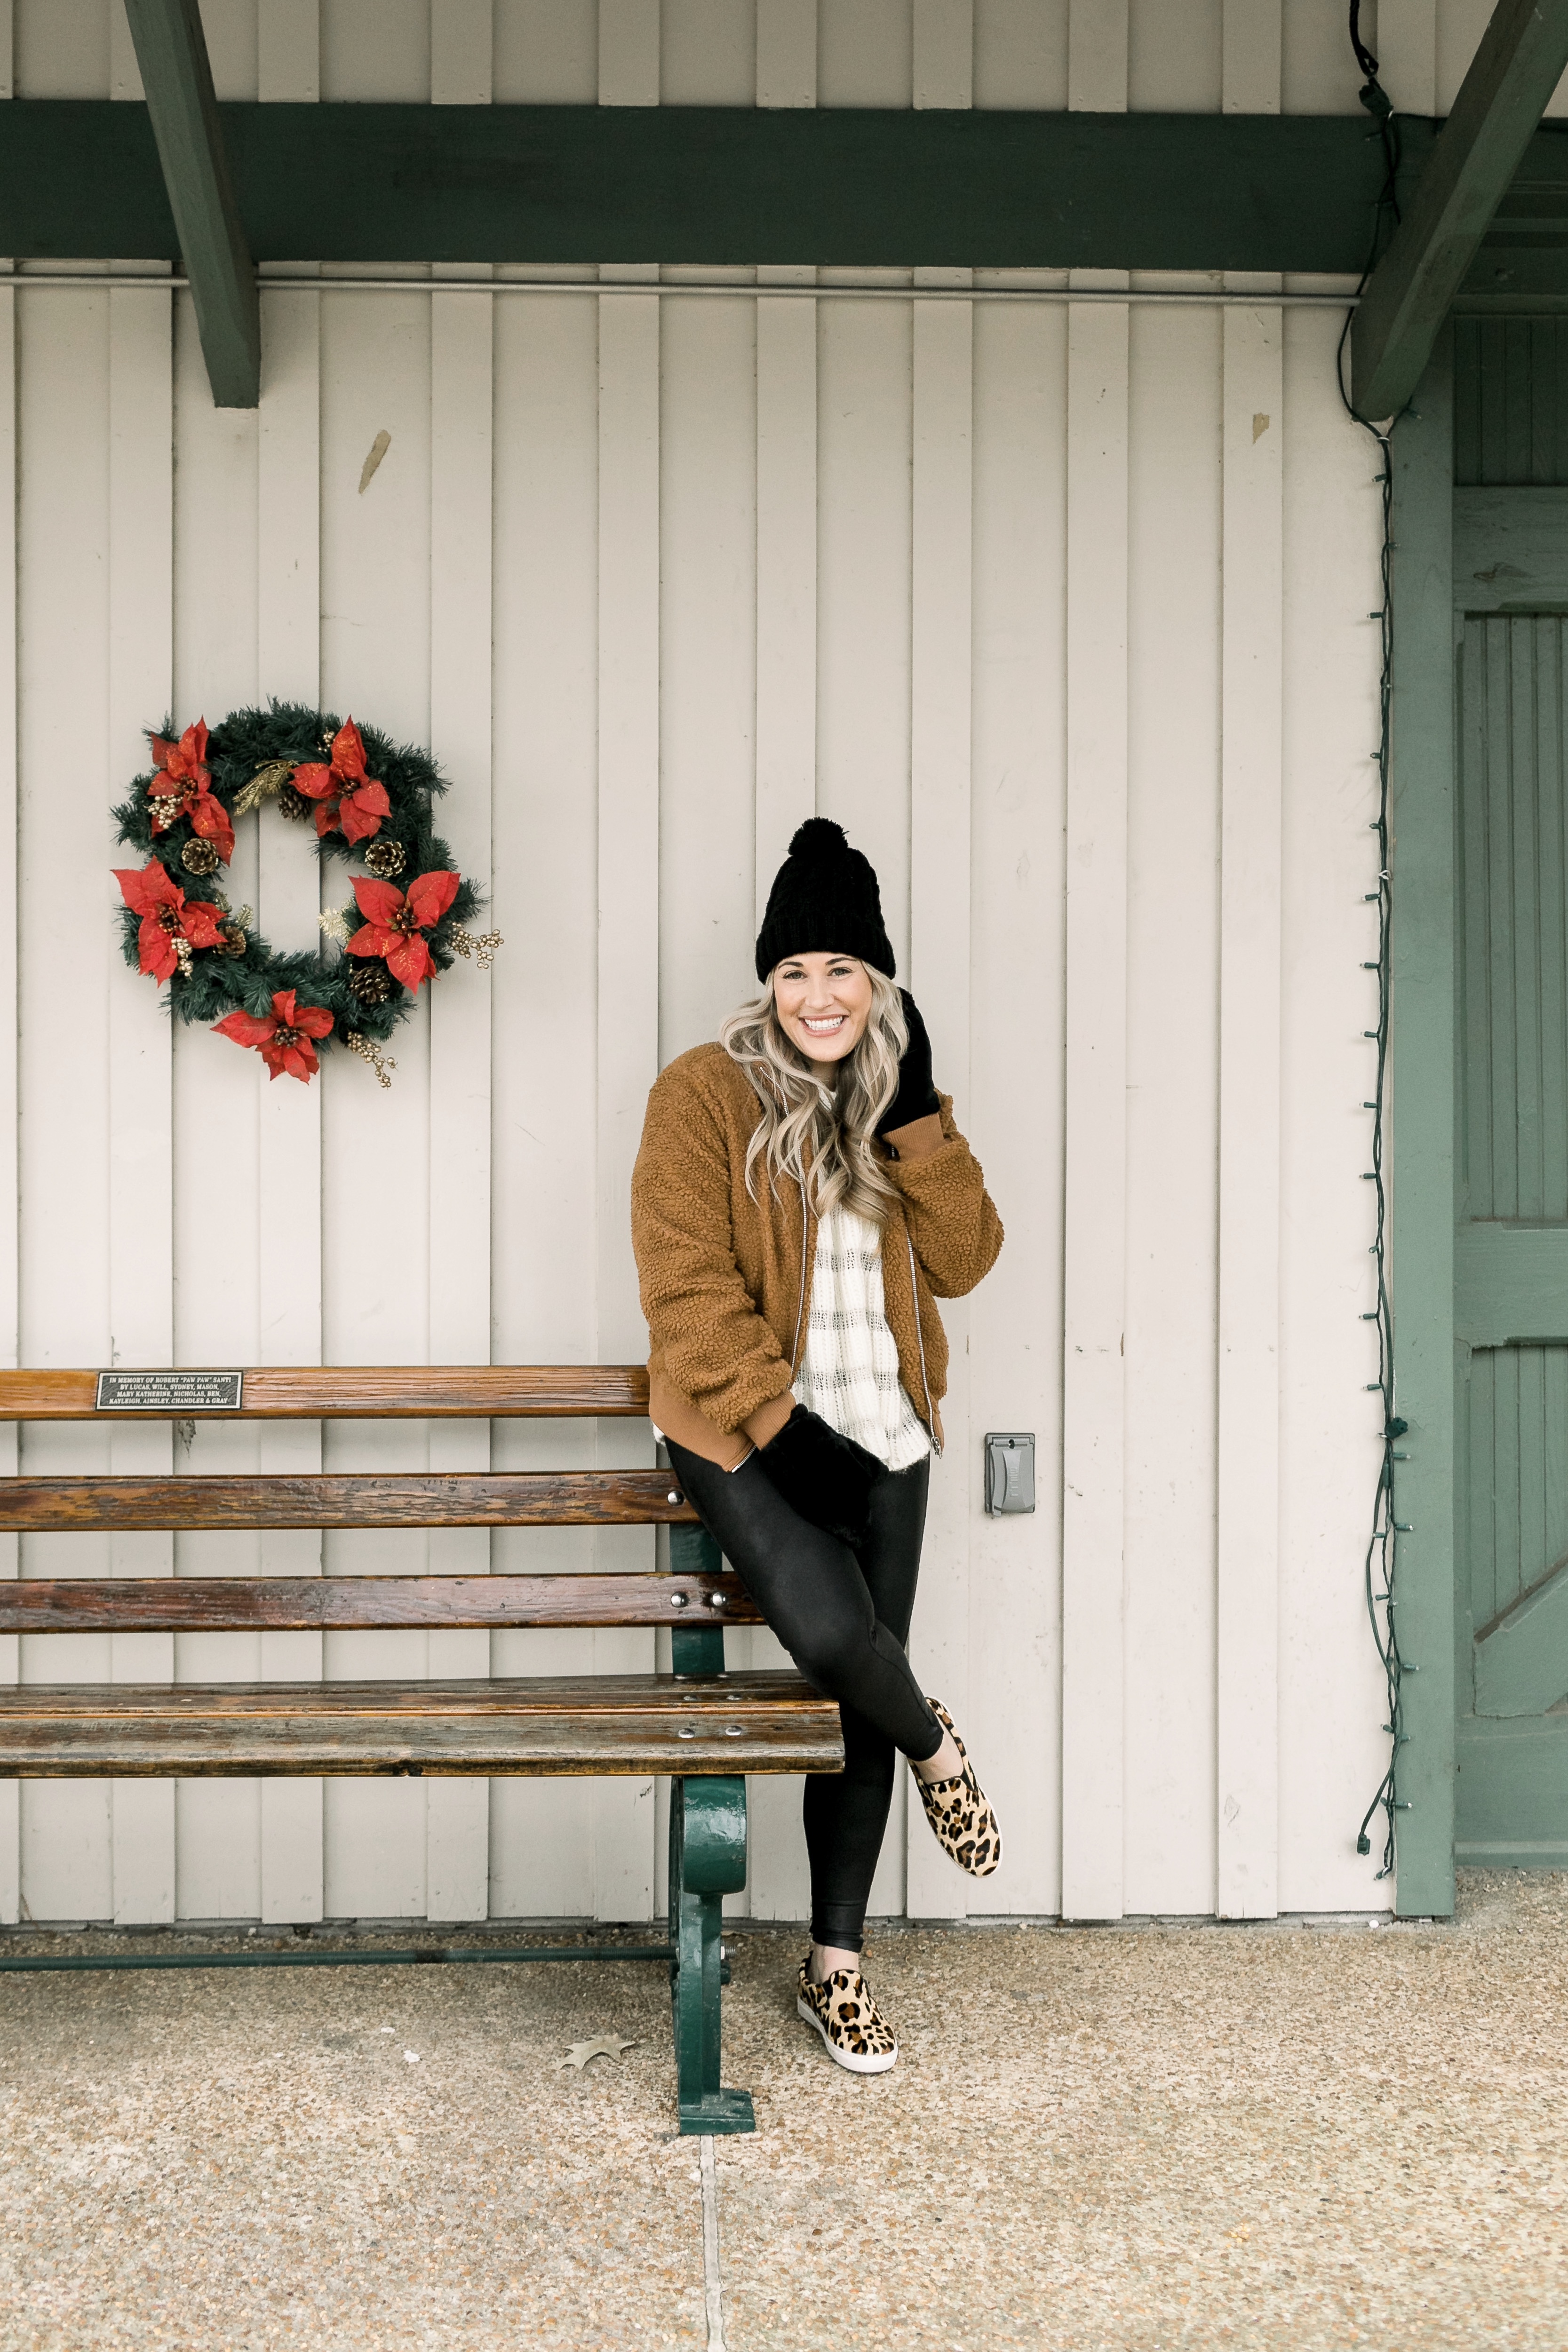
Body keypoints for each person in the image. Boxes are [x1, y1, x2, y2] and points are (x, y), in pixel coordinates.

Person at [630, 818, 1004, 2074]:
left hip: (887, 1430)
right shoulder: (702, 1093)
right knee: (844, 1646)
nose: (818, 994)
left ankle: (834, 1970)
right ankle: (938, 1743)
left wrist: (917, 1123)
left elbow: (967, 1257)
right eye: (794, 970)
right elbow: (684, 1293)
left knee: (853, 1706)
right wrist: (783, 1433)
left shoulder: (901, 1103)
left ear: (878, 981)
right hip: (753, 1433)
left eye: (841, 967)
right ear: (768, 982)